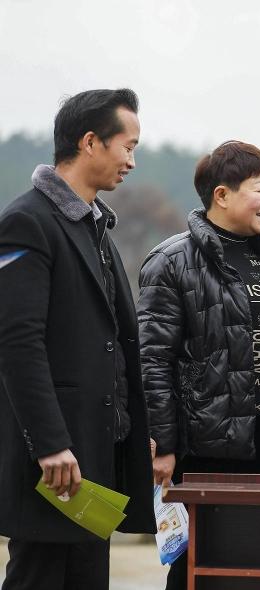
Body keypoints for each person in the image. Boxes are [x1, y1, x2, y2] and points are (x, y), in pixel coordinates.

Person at [138, 140, 260, 589]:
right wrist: (163, 444)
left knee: (257, 562)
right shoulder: (172, 261)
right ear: (221, 195)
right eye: (259, 189)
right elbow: (153, 360)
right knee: (200, 564)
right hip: (205, 441)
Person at [0, 89, 154, 590]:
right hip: (54, 462)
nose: (131, 161)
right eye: (127, 146)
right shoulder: (26, 222)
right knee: (40, 577)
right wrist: (50, 444)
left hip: (95, 455)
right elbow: (18, 343)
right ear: (90, 142)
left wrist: (131, 426)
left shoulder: (96, 226)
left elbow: (111, 343)